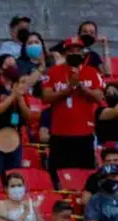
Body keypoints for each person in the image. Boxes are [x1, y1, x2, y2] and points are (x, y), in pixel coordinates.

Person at [42, 36, 104, 179]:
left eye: (78, 50)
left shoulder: (91, 72)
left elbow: (99, 97)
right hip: (60, 134)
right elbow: (46, 97)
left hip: (84, 134)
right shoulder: (53, 72)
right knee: (58, 176)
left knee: (85, 176)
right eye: (71, 50)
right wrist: (68, 89)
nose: (74, 53)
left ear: (83, 53)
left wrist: (81, 87)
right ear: (65, 53)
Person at [0, 54, 34, 175]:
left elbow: (29, 116)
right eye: (7, 64)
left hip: (13, 138)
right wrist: (11, 97)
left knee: (14, 174)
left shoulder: (20, 88)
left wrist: (19, 99)